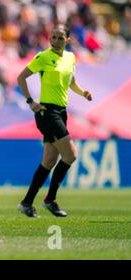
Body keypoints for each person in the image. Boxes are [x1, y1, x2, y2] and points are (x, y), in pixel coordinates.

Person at [16, 24, 93, 218]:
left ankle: (26, 203)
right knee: (71, 155)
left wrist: (83, 92)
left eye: (60, 38)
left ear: (68, 40)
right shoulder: (43, 57)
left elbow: (71, 82)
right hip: (46, 112)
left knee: (49, 161)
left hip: (61, 112)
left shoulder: (70, 57)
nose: (56, 41)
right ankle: (50, 199)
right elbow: (21, 77)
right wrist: (30, 101)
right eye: (53, 37)